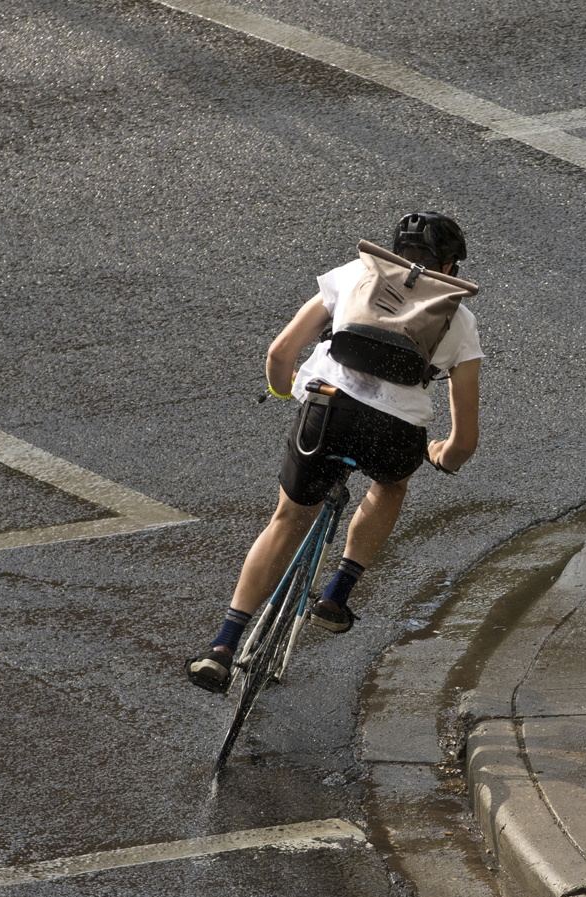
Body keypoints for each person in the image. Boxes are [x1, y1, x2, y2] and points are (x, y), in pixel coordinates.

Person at [186, 212, 481, 693]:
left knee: (288, 519)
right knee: (390, 485)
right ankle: (337, 595)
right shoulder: (458, 318)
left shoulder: (355, 274)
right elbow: (463, 441)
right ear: (449, 267)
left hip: (326, 412)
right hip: (395, 432)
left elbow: (281, 354)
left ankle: (222, 645)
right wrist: (444, 455)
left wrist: (284, 393)